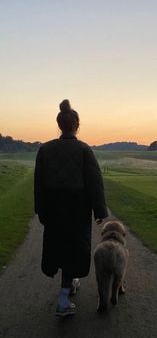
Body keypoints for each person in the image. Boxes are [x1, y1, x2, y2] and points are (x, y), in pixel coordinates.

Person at [34, 99, 108, 317]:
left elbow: (38, 183)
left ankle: (69, 284)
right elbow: (94, 182)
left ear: (60, 125)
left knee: (58, 248)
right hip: (77, 210)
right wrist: (100, 212)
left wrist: (40, 210)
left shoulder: (45, 149)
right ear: (76, 125)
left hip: (54, 210)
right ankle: (63, 300)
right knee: (73, 250)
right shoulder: (84, 149)